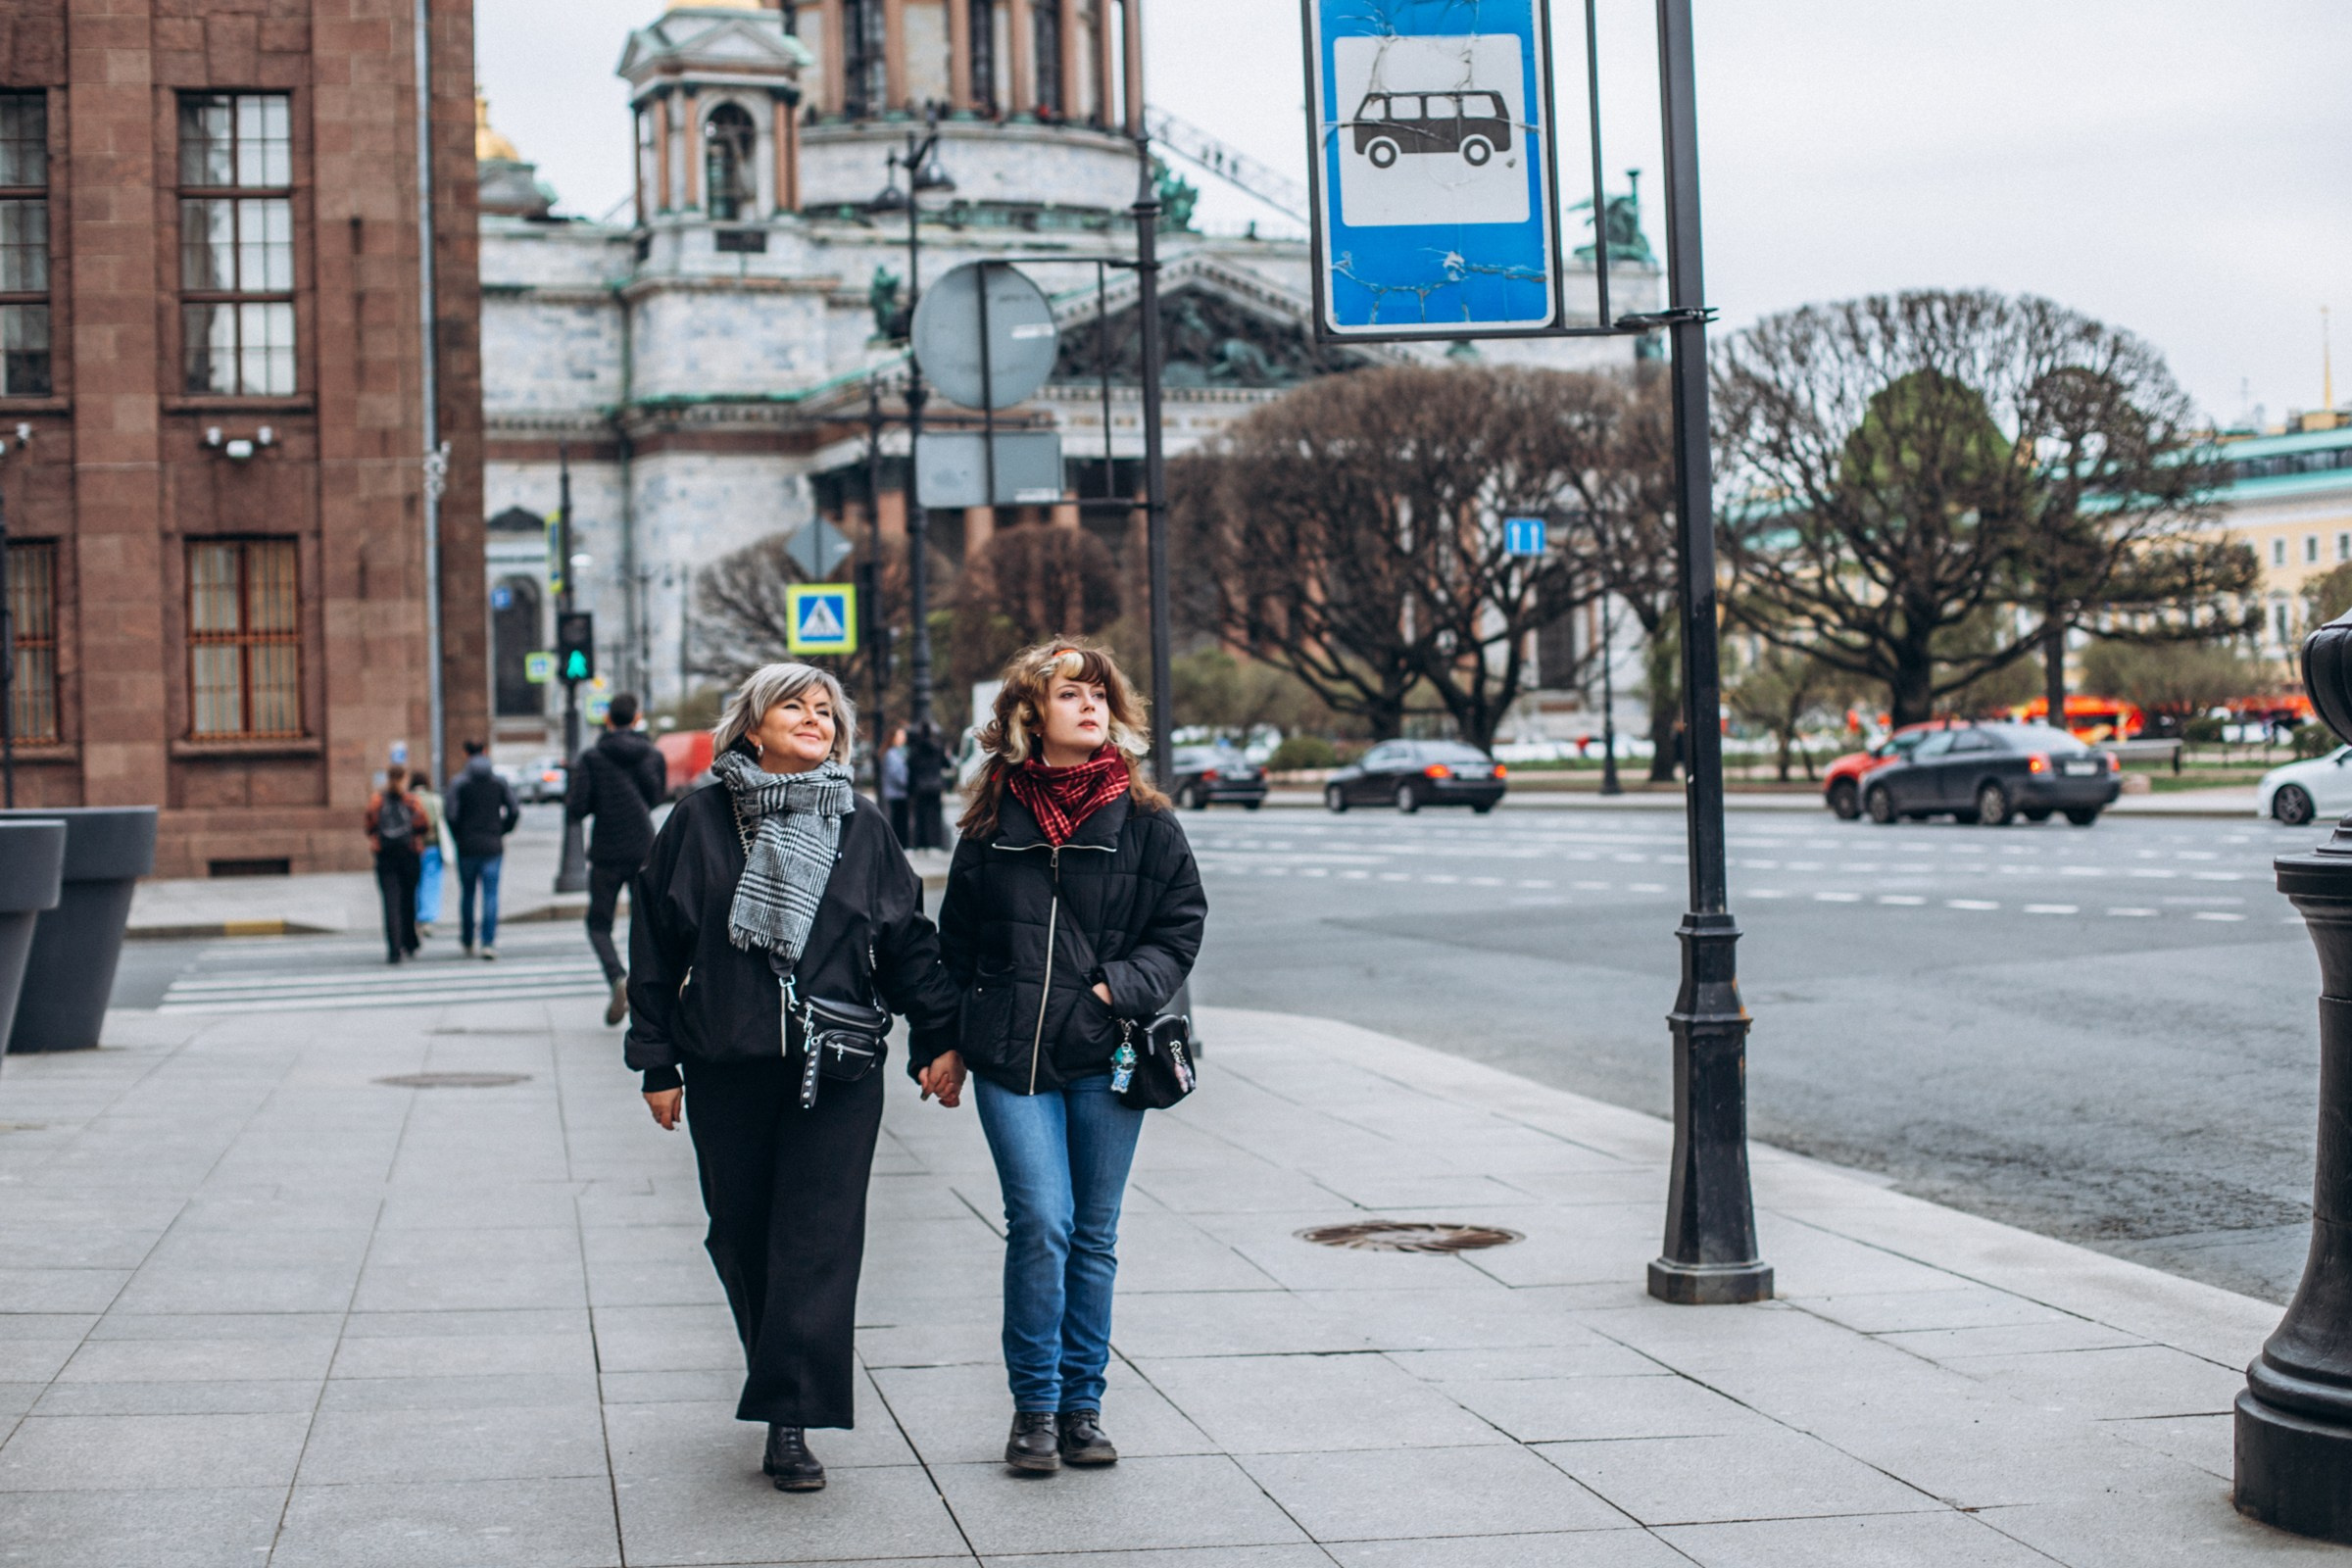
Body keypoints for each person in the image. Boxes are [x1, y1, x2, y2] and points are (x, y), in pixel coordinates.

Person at [625, 663, 958, 1494]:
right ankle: (779, 1369)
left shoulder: (860, 823)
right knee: (739, 1235)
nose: (815, 719)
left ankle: (791, 1419)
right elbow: (657, 946)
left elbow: (906, 940)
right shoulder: (700, 820)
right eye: (795, 706)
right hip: (726, 1062)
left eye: (826, 711)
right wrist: (656, 1060)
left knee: (816, 1242)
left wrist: (937, 1037)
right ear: (752, 727)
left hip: (836, 1067)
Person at [922, 639, 1206, 1474]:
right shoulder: (990, 822)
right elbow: (955, 943)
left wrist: (1117, 990)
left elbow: (1180, 927)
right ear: (1029, 714)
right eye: (1070, 694)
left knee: (1093, 1233)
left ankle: (1083, 1409)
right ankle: (1035, 1409)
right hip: (1010, 1056)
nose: (1090, 706)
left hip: (1104, 1054)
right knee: (1041, 1223)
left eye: (1099, 695)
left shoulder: (1146, 820)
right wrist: (941, 1041)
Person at [568, 693, 666, 1026]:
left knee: (599, 924)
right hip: (643, 849)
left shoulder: (593, 757)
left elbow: (577, 808)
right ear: (637, 719)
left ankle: (616, 976)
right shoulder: (651, 754)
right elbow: (656, 796)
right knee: (646, 924)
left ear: (608, 719)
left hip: (607, 851)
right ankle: (643, 990)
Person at [446, 739, 521, 959]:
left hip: (467, 846)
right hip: (492, 845)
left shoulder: (459, 783)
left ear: (465, 754)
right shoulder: (498, 781)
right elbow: (514, 810)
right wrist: (502, 830)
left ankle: (468, 938)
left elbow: (451, 814)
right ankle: (488, 942)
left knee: (468, 894)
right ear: (486, 752)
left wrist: (459, 835)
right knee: (491, 894)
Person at [365, 763, 426, 965]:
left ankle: (394, 949)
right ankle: (410, 942)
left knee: (391, 903)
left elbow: (369, 827)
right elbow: (423, 825)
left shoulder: (377, 801)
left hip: (386, 857)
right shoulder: (412, 801)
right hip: (409, 854)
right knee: (408, 900)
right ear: (405, 778)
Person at [412, 777, 452, 940]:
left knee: (416, 883)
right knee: (432, 883)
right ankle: (427, 918)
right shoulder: (435, 800)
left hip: (415, 848)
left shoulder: (410, 800)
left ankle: (416, 916)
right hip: (433, 846)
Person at [880, 726, 910, 846]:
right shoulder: (892, 754)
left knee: (900, 821)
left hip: (899, 793)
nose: (903, 738)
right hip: (896, 793)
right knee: (898, 821)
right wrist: (907, 783)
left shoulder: (899, 753)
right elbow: (896, 774)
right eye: (900, 736)